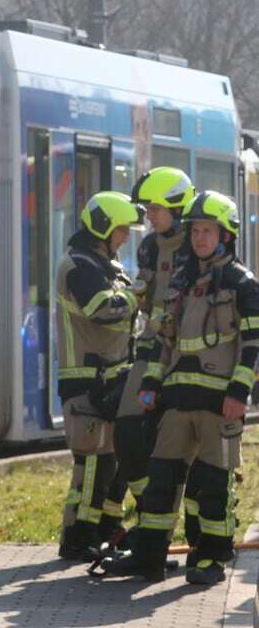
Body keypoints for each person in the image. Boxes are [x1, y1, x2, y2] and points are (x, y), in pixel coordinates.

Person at [102, 191, 258, 584]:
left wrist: (239, 394)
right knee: (160, 485)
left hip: (220, 405)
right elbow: (164, 341)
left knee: (212, 487)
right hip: (176, 402)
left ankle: (211, 560)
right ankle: (148, 559)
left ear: (226, 235)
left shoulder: (243, 284)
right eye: (196, 231)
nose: (200, 238)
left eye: (208, 231)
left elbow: (254, 345)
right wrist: (151, 384)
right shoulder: (182, 283)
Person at [104, 168, 194, 542]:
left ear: (176, 207)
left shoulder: (197, 244)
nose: (148, 217)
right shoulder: (149, 246)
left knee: (177, 449)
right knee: (127, 430)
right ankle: (148, 508)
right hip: (149, 350)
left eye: (155, 208)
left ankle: (179, 533)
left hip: (182, 355)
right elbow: (144, 292)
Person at [55, 191, 143, 561]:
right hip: (86, 384)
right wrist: (140, 296)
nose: (125, 236)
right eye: (121, 229)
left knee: (114, 461)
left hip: (112, 380)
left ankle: (106, 527)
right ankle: (78, 535)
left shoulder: (107, 264)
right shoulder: (78, 266)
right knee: (91, 463)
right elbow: (101, 309)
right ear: (104, 227)